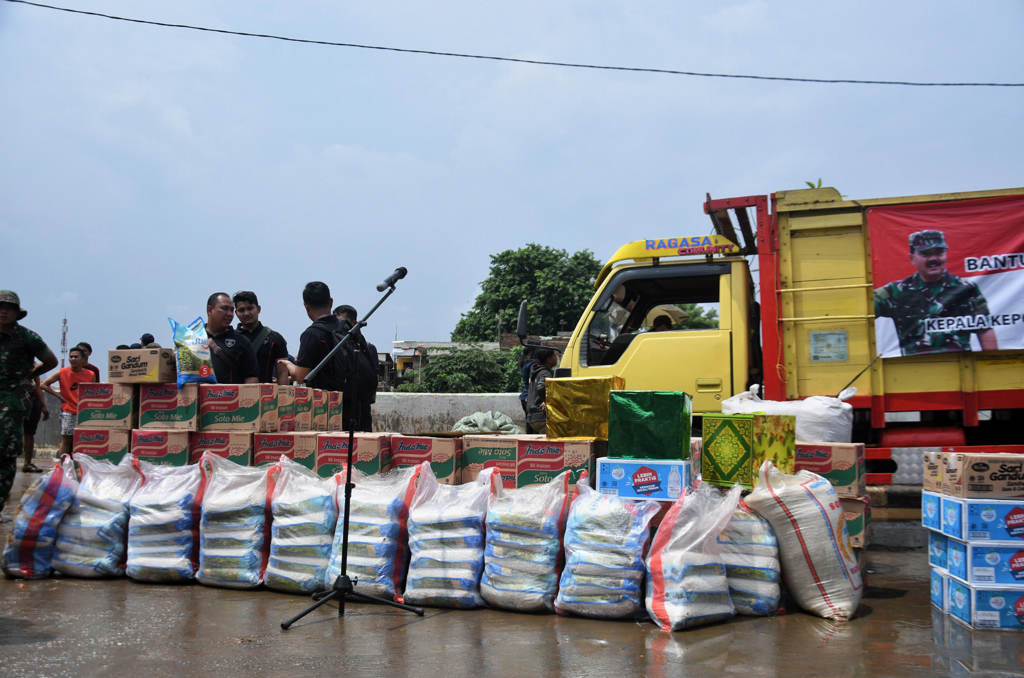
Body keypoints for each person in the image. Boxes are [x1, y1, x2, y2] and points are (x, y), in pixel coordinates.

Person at [874, 229, 998, 356]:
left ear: (946, 254)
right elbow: (862, 307)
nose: (933, 259)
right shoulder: (897, 291)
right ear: (912, 258)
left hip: (961, 368)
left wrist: (992, 365)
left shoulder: (966, 289)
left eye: (939, 253)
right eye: (926, 254)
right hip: (914, 370)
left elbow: (984, 329)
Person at [0, 290, 58, 519]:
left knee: (5, 451)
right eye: (0, 307)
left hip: (11, 398)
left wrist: (31, 373)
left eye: (9, 308)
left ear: (16, 312)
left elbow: (51, 361)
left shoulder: (27, 337)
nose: (3, 311)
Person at [42, 345, 96, 459]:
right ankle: (63, 466)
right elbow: (44, 384)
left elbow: (94, 391)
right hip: (68, 410)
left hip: (84, 412)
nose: (73, 359)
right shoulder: (62, 372)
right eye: (71, 357)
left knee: (82, 440)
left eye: (76, 357)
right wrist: (59, 397)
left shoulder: (90, 374)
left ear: (83, 359)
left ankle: (78, 464)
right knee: (66, 439)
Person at [333, 304, 377, 431]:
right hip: (360, 412)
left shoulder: (366, 348)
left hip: (349, 410)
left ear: (354, 323)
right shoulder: (367, 347)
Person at [234, 290, 288, 383]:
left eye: (250, 308)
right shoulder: (230, 339)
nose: (246, 313)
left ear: (258, 309)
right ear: (236, 313)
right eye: (241, 310)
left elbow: (283, 373)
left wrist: (283, 396)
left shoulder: (275, 339)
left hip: (266, 396)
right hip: (235, 395)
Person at [205, 292, 259, 384]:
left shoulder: (242, 341)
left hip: (231, 397)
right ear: (209, 310)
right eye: (224, 308)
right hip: (197, 397)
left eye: (231, 310)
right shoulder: (192, 338)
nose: (230, 314)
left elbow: (251, 377)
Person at [525, 348, 558, 435]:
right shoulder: (545, 373)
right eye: (554, 355)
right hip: (541, 416)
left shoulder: (536, 372)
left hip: (532, 416)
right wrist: (547, 401)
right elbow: (541, 387)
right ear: (548, 359)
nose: (556, 357)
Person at [22, 370, 48, 473]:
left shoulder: (33, 366)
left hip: (31, 402)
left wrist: (44, 405)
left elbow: (38, 387)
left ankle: (27, 463)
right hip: (12, 399)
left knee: (29, 433)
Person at [519, 348, 539, 433]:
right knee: (535, 425)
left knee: (529, 424)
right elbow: (531, 381)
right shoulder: (534, 364)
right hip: (531, 397)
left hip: (525, 396)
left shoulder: (525, 363)